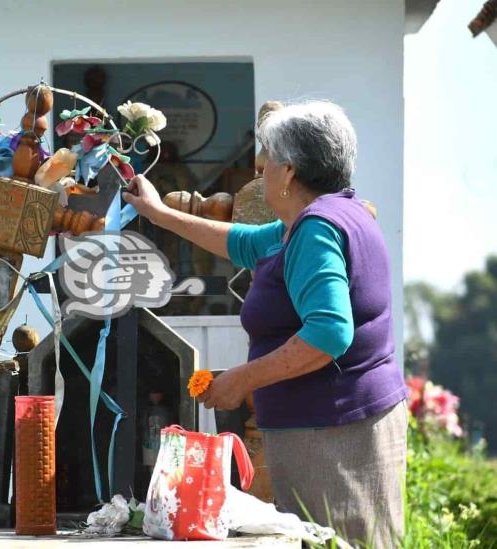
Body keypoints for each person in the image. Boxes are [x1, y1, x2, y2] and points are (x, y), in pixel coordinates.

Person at [123, 101, 407, 548]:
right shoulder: (324, 217)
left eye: (264, 167)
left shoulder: (317, 229)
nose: (260, 177)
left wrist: (243, 380)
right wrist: (158, 214)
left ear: (290, 172)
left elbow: (329, 332)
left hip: (332, 435)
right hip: (343, 424)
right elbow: (243, 244)